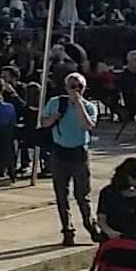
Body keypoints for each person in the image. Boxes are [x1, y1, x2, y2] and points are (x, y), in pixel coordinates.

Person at [39, 72, 100, 245]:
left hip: (79, 153)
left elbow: (88, 125)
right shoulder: (56, 103)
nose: (76, 90)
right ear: (66, 88)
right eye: (73, 86)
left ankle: (90, 225)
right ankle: (67, 230)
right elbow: (43, 123)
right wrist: (53, 117)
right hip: (60, 153)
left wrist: (78, 104)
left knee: (82, 195)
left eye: (80, 86)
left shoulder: (89, 107)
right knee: (61, 194)